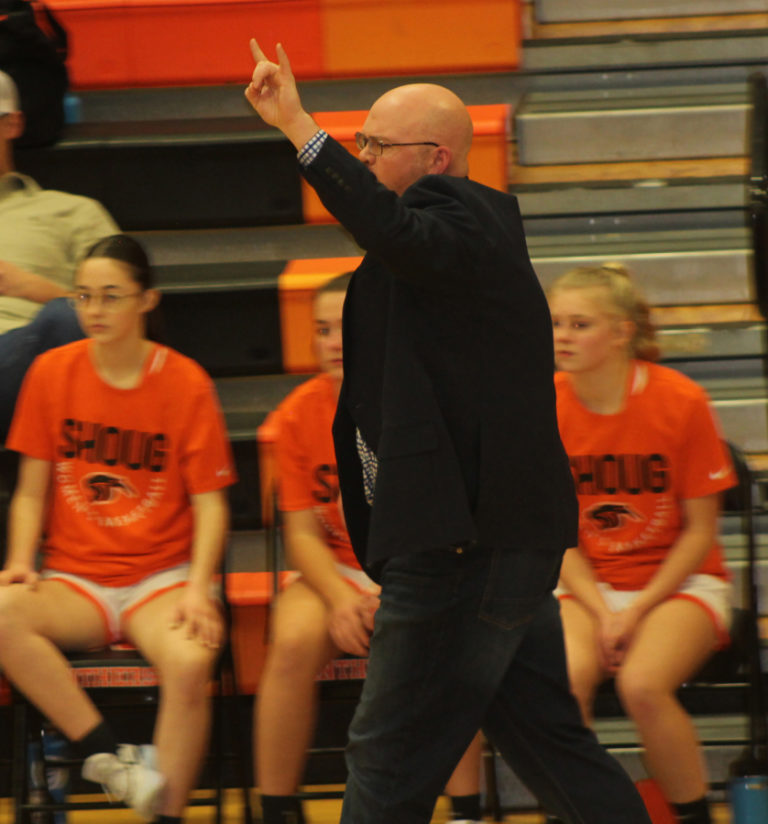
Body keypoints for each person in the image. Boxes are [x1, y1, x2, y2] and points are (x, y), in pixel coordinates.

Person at [245, 41, 652, 824]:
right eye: (356, 142)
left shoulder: (464, 218)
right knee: (550, 748)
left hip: (462, 542)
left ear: (437, 158)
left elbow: (387, 230)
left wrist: (299, 126)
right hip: (490, 537)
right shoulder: (450, 241)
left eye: (373, 145)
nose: (361, 157)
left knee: (388, 758)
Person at [0, 234, 235, 823]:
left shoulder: (184, 382)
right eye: (83, 297)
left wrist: (198, 587)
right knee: (1, 613)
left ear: (146, 300)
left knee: (188, 659)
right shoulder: (51, 372)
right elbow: (32, 489)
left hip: (160, 578)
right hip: (76, 580)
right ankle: (107, 755)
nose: (95, 311)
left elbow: (211, 505)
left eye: (110, 296)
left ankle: (166, 814)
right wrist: (21, 560)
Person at [255, 273, 485, 824]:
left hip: (420, 567)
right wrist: (338, 599)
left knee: (452, 648)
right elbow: (302, 534)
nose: (334, 342)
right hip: (334, 570)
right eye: (322, 330)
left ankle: (464, 811)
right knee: (288, 643)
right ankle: (279, 809)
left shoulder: (427, 399)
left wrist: (397, 592)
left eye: (346, 328)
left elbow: (448, 523)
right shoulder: (295, 414)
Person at [548, 263, 735, 824]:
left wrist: (638, 611)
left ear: (622, 332)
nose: (562, 336)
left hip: (681, 582)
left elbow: (700, 532)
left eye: (580, 325)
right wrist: (605, 610)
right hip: (585, 583)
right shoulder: (542, 405)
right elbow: (555, 536)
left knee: (643, 686)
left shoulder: (682, 401)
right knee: (561, 687)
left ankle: (693, 814)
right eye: (556, 323)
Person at [0, 69, 118, 443]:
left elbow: (124, 310)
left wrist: (33, 289)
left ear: (12, 123)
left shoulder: (72, 212)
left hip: (25, 360)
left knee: (63, 315)